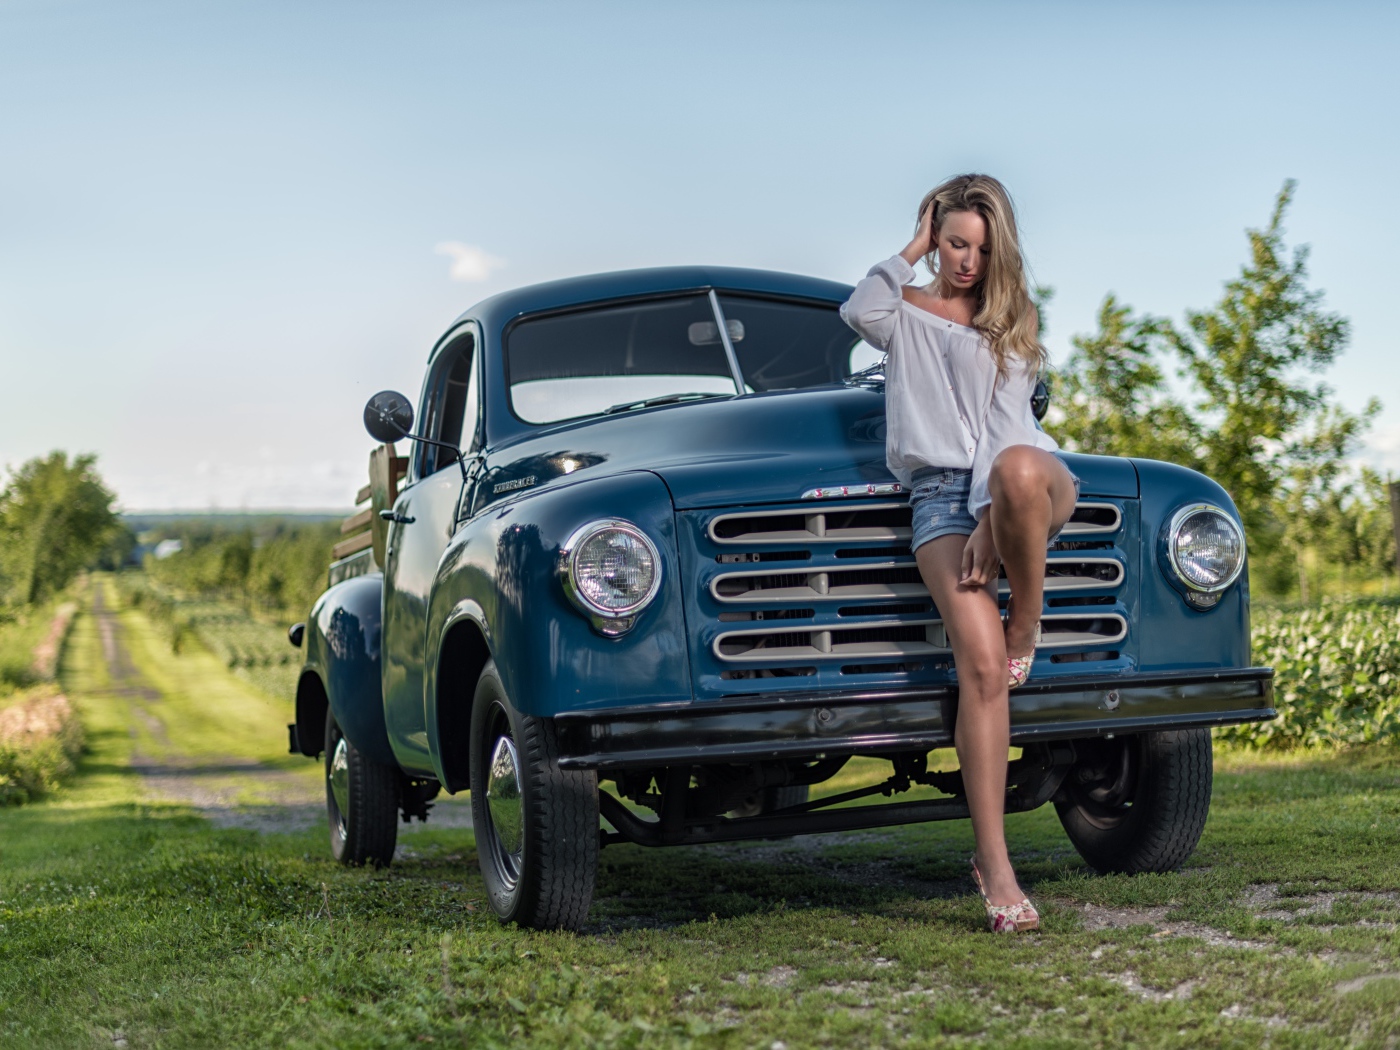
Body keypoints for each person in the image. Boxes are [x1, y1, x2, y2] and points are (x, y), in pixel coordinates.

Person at [840, 173, 1079, 934]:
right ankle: (994, 864)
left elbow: (1013, 426)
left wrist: (991, 515)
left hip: (1025, 480)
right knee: (979, 669)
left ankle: (1028, 624)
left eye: (981, 247)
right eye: (953, 243)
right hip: (938, 498)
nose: (967, 262)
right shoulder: (904, 315)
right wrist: (911, 244)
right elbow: (858, 308)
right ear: (936, 239)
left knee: (1013, 470)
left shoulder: (1010, 318)